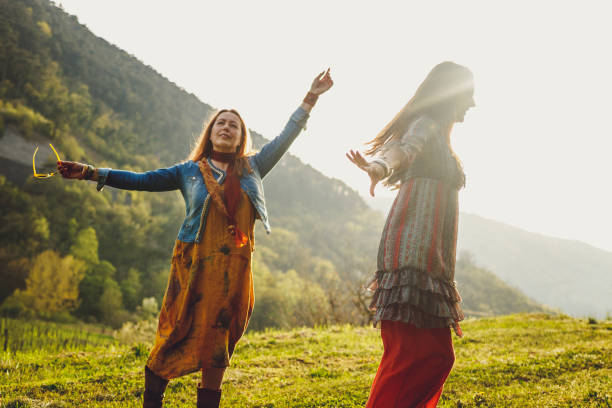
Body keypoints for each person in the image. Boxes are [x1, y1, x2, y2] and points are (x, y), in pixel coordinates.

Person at [57, 69, 333, 408]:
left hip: (234, 271)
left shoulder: (254, 167)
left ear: (240, 136)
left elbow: (287, 134)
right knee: (174, 333)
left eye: (234, 125)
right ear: (211, 133)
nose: (227, 127)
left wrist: (311, 97)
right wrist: (90, 172)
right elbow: (141, 180)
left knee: (218, 345)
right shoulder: (188, 171)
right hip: (193, 265)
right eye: (221, 123)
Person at [347, 61, 474, 408]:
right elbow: (401, 150)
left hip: (432, 265)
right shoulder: (426, 125)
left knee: (433, 358)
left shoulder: (442, 138)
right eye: (469, 94)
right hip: (410, 260)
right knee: (410, 358)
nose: (472, 103)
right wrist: (378, 167)